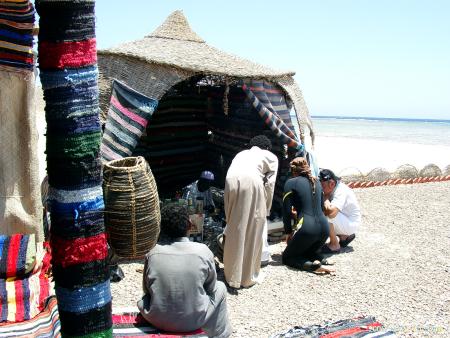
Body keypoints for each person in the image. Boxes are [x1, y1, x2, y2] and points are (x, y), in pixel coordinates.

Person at [137, 204, 232, 338]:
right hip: (192, 322)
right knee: (221, 287)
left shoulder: (152, 253)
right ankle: (220, 335)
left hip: (157, 320)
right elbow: (210, 288)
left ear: (162, 227)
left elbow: (147, 290)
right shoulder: (203, 251)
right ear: (189, 224)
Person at [223, 135, 278, 288]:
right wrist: (265, 209)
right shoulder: (271, 157)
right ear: (266, 147)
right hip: (252, 182)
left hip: (230, 181)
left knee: (235, 227)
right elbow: (270, 184)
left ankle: (230, 274)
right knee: (252, 231)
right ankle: (246, 278)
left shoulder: (241, 154)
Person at [282, 157, 335, 274]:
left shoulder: (290, 183)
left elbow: (286, 211)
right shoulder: (317, 182)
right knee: (305, 252)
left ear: (293, 171)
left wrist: (288, 232)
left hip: (307, 229)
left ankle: (314, 267)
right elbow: (321, 209)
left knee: (287, 257)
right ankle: (321, 259)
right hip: (324, 229)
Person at [319, 169, 361, 253]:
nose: (321, 189)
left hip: (351, 223)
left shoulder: (340, 191)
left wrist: (325, 198)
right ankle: (344, 237)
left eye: (322, 186)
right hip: (346, 219)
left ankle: (334, 244)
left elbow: (332, 214)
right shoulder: (334, 187)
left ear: (332, 184)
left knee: (324, 214)